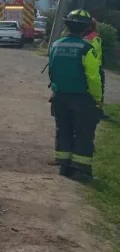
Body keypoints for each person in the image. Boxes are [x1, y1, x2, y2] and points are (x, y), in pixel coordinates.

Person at [48, 9, 103, 181]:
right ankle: (81, 171)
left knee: (63, 129)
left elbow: (52, 71)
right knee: (83, 132)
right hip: (82, 98)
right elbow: (93, 77)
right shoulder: (87, 48)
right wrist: (97, 98)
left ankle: (63, 166)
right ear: (86, 28)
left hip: (59, 96)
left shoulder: (56, 45)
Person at [83, 18, 110, 121]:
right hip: (96, 67)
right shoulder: (96, 38)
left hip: (83, 65)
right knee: (99, 89)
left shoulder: (81, 36)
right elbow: (96, 52)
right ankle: (98, 111)